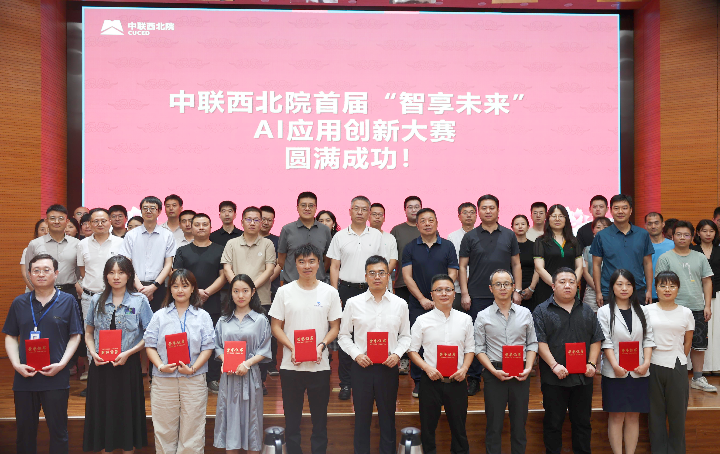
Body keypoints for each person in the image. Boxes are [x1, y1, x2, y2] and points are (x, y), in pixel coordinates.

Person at [3, 254, 83, 454]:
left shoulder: (68, 301)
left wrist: (62, 364)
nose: (41, 274)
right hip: (24, 377)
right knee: (24, 433)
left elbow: (75, 335)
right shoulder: (19, 302)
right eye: (36, 270)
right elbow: (10, 335)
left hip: (55, 376)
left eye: (46, 270)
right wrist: (16, 364)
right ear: (29, 274)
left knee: (58, 432)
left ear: (56, 274)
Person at [268, 243, 342, 454]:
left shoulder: (330, 292)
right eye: (301, 262)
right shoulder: (284, 292)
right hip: (291, 366)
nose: (307, 266)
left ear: (319, 263)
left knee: (320, 422)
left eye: (311, 261)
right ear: (295, 264)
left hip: (320, 366)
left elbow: (335, 327)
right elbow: (275, 326)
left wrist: (321, 345)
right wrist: (292, 348)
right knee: (292, 421)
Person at [337, 255, 411, 454]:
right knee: (362, 419)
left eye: (381, 273)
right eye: (372, 273)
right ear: (365, 277)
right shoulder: (353, 303)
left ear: (388, 276)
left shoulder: (400, 304)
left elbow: (406, 336)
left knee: (388, 418)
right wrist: (356, 355)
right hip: (362, 368)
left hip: (388, 368)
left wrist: (397, 354)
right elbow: (343, 336)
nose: (377, 277)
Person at [83, 255, 153, 453]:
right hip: (100, 366)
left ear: (129, 275)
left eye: (121, 272)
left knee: (126, 413)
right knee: (102, 412)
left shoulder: (140, 301)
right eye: (111, 272)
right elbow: (88, 333)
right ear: (106, 275)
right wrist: (93, 353)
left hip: (127, 365)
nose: (116, 277)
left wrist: (129, 353)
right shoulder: (96, 300)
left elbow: (150, 335)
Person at [144, 269, 215, 454]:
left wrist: (193, 368)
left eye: (185, 286)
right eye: (175, 286)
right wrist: (160, 366)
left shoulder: (202, 316)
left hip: (194, 378)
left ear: (193, 289)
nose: (180, 290)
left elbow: (208, 347)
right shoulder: (159, 316)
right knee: (164, 429)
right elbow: (149, 345)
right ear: (170, 289)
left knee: (193, 428)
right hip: (163, 379)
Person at [533, 267, 603, 454]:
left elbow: (596, 339)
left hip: (583, 378)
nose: (567, 286)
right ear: (553, 286)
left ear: (577, 286)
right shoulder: (541, 310)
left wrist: (592, 363)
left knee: (583, 423)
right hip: (554, 378)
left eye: (572, 282)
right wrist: (554, 365)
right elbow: (539, 342)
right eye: (562, 282)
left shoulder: (587, 310)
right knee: (553, 424)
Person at [459, 194, 522, 395]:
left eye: (491, 207)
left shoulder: (509, 235)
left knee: (506, 333)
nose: (488, 211)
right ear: (479, 211)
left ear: (498, 210)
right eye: (484, 208)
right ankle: (474, 377)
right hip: (477, 294)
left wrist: (517, 290)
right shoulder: (470, 236)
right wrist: (465, 293)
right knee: (477, 337)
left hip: (505, 294)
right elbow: (462, 267)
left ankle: (506, 371)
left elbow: (516, 264)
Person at [408, 274, 474, 454]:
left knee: (459, 431)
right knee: (428, 430)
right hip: (431, 381)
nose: (444, 293)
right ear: (432, 294)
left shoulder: (465, 319)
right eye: (439, 290)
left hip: (457, 381)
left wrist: (464, 369)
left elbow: (470, 349)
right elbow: (412, 350)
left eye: (448, 290)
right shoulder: (422, 321)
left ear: (454, 293)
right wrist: (427, 368)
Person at [475, 269, 538, 454]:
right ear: (491, 288)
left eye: (506, 284)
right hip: (494, 373)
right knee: (493, 426)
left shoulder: (525, 313)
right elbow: (479, 349)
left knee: (519, 425)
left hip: (520, 373)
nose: (502, 288)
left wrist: (528, 368)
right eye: (498, 284)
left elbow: (532, 343)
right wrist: (493, 371)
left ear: (513, 287)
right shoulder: (482, 316)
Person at [328, 195, 384, 400]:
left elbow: (381, 265)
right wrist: (335, 294)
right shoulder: (340, 236)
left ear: (369, 213)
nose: (360, 212)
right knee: (346, 336)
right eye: (356, 208)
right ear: (350, 211)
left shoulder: (376, 236)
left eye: (364, 209)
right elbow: (334, 266)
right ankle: (346, 383)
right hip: (346, 290)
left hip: (370, 290)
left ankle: (371, 380)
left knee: (372, 333)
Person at [402, 208, 459, 397]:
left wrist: (441, 295)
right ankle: (419, 382)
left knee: (444, 339)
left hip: (444, 303)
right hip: (418, 304)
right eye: (423, 221)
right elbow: (407, 277)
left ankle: (446, 375)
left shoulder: (448, 246)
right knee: (417, 343)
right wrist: (422, 299)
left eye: (431, 220)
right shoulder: (410, 247)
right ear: (417, 225)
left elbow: (453, 273)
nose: (427, 224)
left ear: (437, 223)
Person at [597, 269, 655, 454]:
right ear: (612, 287)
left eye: (628, 284)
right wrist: (615, 365)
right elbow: (605, 341)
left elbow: (648, 339)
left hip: (639, 371)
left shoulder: (643, 310)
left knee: (633, 416)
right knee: (616, 416)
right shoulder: (604, 311)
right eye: (619, 284)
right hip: (614, 372)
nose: (624, 288)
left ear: (634, 287)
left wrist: (646, 363)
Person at [655, 220, 716, 392]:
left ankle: (697, 378)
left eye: (686, 235)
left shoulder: (700, 257)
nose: (682, 238)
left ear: (692, 236)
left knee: (698, 345)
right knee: (673, 343)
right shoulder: (665, 258)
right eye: (679, 234)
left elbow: (707, 281)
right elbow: (661, 284)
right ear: (672, 236)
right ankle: (674, 376)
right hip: (673, 308)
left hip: (697, 307)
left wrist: (707, 306)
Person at [213, 274, 271, 453]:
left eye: (245, 291)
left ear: (253, 292)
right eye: (236, 291)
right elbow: (217, 346)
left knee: (252, 422)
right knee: (229, 419)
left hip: (251, 376)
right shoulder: (223, 320)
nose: (240, 295)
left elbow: (264, 348)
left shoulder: (260, 320)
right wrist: (225, 360)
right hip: (229, 378)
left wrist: (247, 364)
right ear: (230, 293)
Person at [221, 207, 276, 393]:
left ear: (261, 222)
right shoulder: (232, 243)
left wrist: (250, 289)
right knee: (236, 336)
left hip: (262, 297)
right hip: (236, 297)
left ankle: (261, 379)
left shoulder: (267, 244)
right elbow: (227, 268)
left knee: (260, 339)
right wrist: (239, 289)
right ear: (242, 221)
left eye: (256, 220)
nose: (252, 223)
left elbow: (269, 270)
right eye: (249, 219)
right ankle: (233, 368)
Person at [174, 213, 226, 394]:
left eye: (205, 224)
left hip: (213, 301)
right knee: (187, 337)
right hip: (186, 302)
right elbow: (177, 275)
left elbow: (223, 275)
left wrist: (207, 292)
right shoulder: (182, 251)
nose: (201, 227)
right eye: (197, 224)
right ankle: (187, 371)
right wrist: (194, 292)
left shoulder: (220, 249)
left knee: (211, 339)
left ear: (211, 227)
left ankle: (212, 378)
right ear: (191, 227)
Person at [646, 271, 694, 454]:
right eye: (663, 285)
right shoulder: (647, 310)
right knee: (655, 415)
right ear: (656, 288)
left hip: (677, 366)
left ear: (678, 289)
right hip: (652, 365)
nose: (667, 289)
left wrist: (679, 357)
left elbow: (687, 342)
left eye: (672, 286)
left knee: (677, 416)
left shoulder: (686, 312)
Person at [77, 208, 124, 386]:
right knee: (92, 335)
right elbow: (83, 272)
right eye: (95, 221)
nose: (100, 224)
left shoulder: (120, 243)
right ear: (89, 223)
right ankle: (95, 378)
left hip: (116, 297)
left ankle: (115, 377)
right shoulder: (82, 244)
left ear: (110, 222)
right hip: (90, 298)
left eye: (103, 220)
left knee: (116, 334)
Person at [591, 194, 654, 306]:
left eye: (624, 208)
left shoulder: (643, 234)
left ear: (630, 210)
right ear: (611, 211)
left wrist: (649, 290)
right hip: (609, 291)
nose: (620, 211)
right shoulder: (601, 236)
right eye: (616, 208)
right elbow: (596, 265)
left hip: (637, 289)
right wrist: (598, 292)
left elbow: (647, 263)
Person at [119, 196, 176, 312]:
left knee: (158, 319)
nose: (148, 211)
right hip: (133, 288)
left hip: (158, 288)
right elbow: (126, 264)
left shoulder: (167, 235)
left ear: (159, 211)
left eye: (152, 208)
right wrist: (140, 288)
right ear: (141, 211)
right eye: (145, 208)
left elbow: (168, 264)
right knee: (130, 318)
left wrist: (153, 287)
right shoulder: (130, 235)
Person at [25, 204, 82, 301]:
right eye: (52, 218)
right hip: (42, 291)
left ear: (67, 221)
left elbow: (78, 270)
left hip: (69, 291)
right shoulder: (35, 244)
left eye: (61, 218)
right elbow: (28, 270)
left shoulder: (77, 244)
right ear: (46, 221)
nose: (56, 222)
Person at [533, 204, 583, 306]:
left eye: (560, 216)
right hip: (548, 289)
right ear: (548, 219)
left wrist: (571, 284)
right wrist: (556, 285)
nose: (557, 219)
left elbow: (580, 267)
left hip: (570, 291)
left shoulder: (574, 241)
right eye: (554, 216)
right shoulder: (541, 241)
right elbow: (539, 268)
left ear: (566, 219)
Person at [278, 192, 333, 284]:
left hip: (317, 283)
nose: (307, 208)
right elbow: (281, 260)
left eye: (311, 205)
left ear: (316, 208)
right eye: (303, 205)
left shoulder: (325, 230)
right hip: (292, 283)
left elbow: (327, 259)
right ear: (297, 208)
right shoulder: (287, 229)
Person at [692, 220, 720, 373]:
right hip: (697, 294)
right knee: (701, 331)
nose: (708, 234)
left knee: (717, 330)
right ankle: (702, 367)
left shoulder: (719, 250)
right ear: (698, 233)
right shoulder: (692, 250)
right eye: (704, 230)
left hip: (719, 294)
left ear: (715, 233)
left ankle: (716, 366)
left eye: (711, 231)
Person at [259, 205, 282, 378]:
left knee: (271, 328)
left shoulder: (277, 240)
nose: (266, 222)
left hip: (271, 290)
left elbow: (280, 263)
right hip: (247, 292)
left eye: (269, 220)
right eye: (263, 219)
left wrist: (266, 280)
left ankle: (271, 363)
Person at [390, 196, 422, 302]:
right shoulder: (396, 230)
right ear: (405, 210)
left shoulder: (429, 229)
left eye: (416, 207)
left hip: (425, 283)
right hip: (402, 283)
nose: (414, 210)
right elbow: (392, 257)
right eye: (410, 207)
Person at [448, 202, 478, 310]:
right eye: (465, 212)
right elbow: (454, 263)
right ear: (459, 216)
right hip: (458, 289)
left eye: (472, 212)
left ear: (476, 215)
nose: (469, 215)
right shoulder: (452, 237)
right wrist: (464, 285)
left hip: (478, 287)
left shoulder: (482, 235)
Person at [510, 215, 540, 313]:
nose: (520, 226)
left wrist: (531, 288)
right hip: (511, 289)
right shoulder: (508, 247)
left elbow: (538, 268)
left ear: (528, 227)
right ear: (512, 227)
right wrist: (514, 290)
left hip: (532, 288)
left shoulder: (535, 245)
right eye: (517, 224)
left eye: (523, 224)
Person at [581, 217, 612, 312]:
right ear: (593, 230)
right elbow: (585, 272)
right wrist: (598, 289)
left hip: (611, 290)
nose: (601, 230)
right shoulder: (587, 249)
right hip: (591, 290)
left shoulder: (614, 249)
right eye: (598, 227)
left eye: (605, 227)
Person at [369, 203, 399, 292]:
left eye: (380, 215)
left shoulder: (390, 238)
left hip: (385, 282)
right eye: (374, 214)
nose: (377, 217)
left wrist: (382, 276)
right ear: (368, 217)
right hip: (365, 282)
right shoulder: (362, 236)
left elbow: (393, 261)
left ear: (384, 218)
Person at [645, 212, 675, 302]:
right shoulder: (641, 245)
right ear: (645, 226)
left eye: (656, 223)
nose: (653, 226)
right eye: (650, 224)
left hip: (669, 292)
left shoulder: (673, 245)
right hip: (646, 293)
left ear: (663, 224)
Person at [21, 219, 49, 292]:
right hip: (33, 290)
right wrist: (36, 291)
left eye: (49, 229)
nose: (46, 232)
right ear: (37, 232)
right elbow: (25, 274)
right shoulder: (28, 249)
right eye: (42, 229)